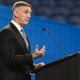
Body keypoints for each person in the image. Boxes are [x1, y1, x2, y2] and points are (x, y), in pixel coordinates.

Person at [0, 1, 45, 80]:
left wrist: (35, 67)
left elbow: (21, 64)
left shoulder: (22, 33)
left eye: (30, 13)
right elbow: (10, 59)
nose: (29, 16)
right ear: (16, 13)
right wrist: (32, 56)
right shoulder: (7, 31)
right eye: (26, 12)